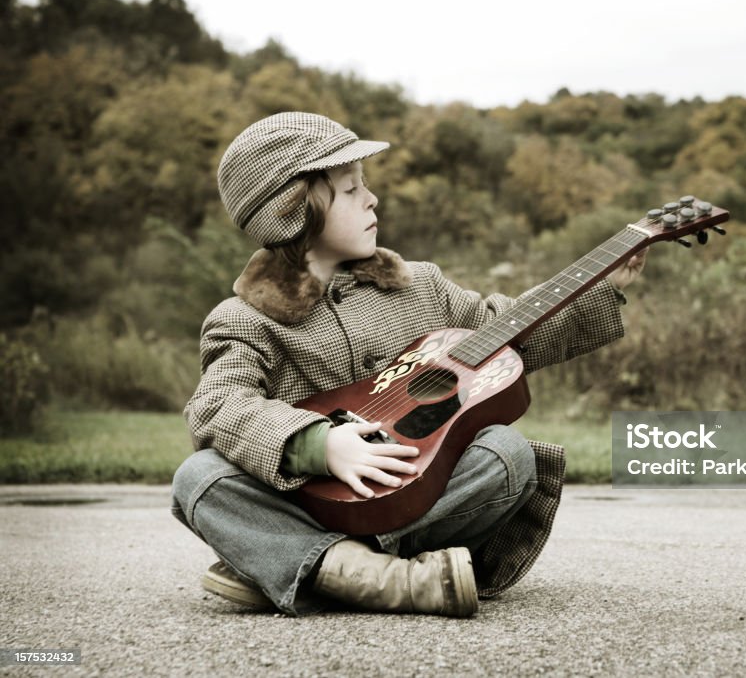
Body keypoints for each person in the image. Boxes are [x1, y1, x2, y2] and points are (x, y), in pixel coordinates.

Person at [171, 112, 646, 617]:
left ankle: (296, 561)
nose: (372, 198)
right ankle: (386, 578)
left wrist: (601, 285)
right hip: (312, 498)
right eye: (351, 189)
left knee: (507, 454)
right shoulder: (244, 319)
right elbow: (218, 405)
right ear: (295, 210)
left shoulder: (420, 286)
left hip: (418, 501)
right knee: (199, 479)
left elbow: (506, 329)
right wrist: (320, 444)